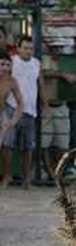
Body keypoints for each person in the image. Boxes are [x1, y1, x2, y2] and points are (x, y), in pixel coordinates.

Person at [5, 35, 47, 189]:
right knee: (8, 145)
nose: (29, 51)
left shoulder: (36, 63)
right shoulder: (12, 61)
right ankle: (7, 176)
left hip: (30, 110)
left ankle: (26, 180)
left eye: (31, 48)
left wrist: (46, 106)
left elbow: (41, 85)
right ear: (18, 48)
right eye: (25, 48)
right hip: (12, 107)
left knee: (28, 147)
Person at [42, 42, 72, 181]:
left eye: (60, 46)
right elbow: (43, 73)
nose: (57, 49)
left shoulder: (67, 62)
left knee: (63, 144)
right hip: (46, 106)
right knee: (44, 143)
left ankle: (57, 172)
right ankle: (50, 173)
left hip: (62, 106)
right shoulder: (43, 59)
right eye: (54, 46)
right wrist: (61, 74)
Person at [0, 51, 23, 188]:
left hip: (3, 114)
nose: (5, 67)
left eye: (8, 65)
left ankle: (7, 176)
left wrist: (13, 120)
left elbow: (20, 103)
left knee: (6, 146)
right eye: (2, 64)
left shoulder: (11, 81)